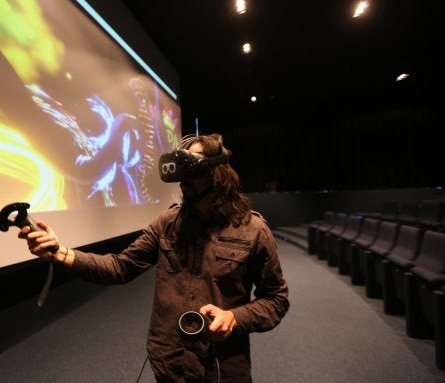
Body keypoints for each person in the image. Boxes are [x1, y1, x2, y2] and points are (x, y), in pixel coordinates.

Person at [19, 133, 289, 383]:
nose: (183, 183)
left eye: (191, 171)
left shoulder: (253, 230)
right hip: (169, 360)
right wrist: (60, 252)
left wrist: (234, 317)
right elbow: (120, 267)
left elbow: (276, 299)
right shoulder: (167, 223)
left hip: (221, 366)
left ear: (217, 173)